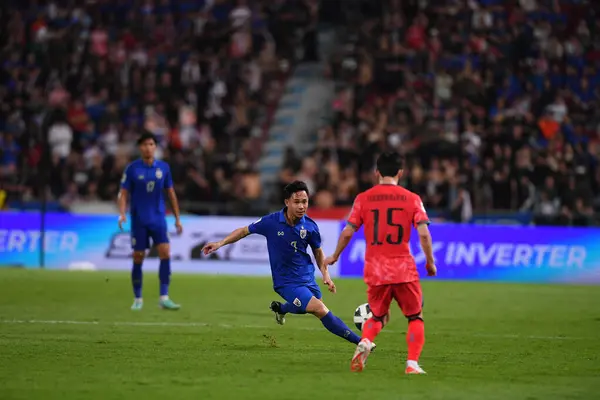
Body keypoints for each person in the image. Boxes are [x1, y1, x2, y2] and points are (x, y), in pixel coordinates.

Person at [202, 180, 368, 348]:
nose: (302, 206)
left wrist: (326, 275)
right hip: (285, 282)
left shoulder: (310, 226)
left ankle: (281, 309)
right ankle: (361, 342)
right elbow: (244, 231)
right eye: (297, 202)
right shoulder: (271, 222)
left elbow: (317, 251)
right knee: (319, 309)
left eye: (305, 202)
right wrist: (220, 243)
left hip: (306, 277)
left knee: (307, 306)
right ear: (287, 202)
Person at [324, 152, 437, 374]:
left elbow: (348, 232)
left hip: (375, 268)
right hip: (403, 267)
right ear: (400, 173)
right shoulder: (412, 198)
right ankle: (412, 364)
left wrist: (335, 255)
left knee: (377, 316)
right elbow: (424, 234)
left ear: (377, 173)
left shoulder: (363, 198)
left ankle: (365, 341)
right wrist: (430, 262)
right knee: (415, 316)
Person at [118, 132, 183, 311]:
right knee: (138, 256)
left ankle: (164, 296)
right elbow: (123, 193)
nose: (149, 147)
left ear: (155, 147)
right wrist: (122, 214)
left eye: (152, 144)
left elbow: (171, 193)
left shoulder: (164, 168)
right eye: (145, 144)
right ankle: (138, 298)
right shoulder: (132, 169)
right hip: (139, 220)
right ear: (140, 147)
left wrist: (177, 219)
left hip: (158, 219)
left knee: (165, 252)